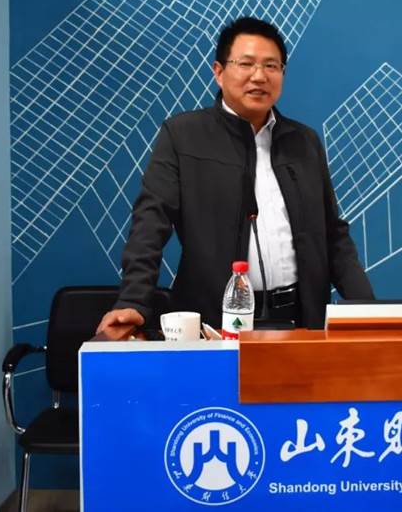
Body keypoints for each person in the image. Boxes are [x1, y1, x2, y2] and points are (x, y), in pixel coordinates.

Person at [97, 17, 373, 339]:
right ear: (218, 72)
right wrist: (133, 300)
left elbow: (333, 235)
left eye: (271, 66)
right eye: (246, 64)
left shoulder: (304, 142)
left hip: (301, 320)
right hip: (214, 323)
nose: (259, 76)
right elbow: (150, 222)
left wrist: (367, 309)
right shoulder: (183, 135)